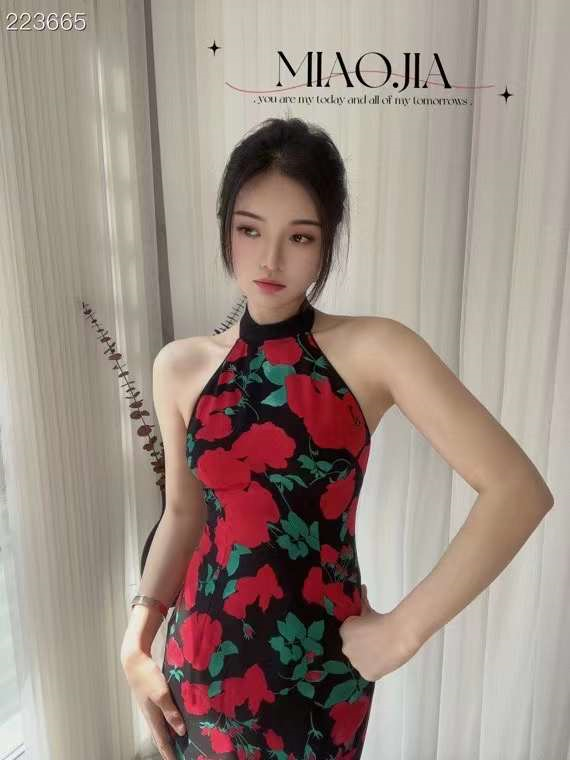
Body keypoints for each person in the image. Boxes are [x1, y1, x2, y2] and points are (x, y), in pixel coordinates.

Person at [120, 117, 554, 760]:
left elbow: (518, 490)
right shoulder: (180, 366)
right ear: (225, 230)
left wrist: (403, 632)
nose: (270, 259)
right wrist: (136, 639)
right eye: (249, 230)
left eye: (300, 236)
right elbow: (185, 515)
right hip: (200, 666)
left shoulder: (375, 349)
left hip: (318, 675)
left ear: (327, 243)